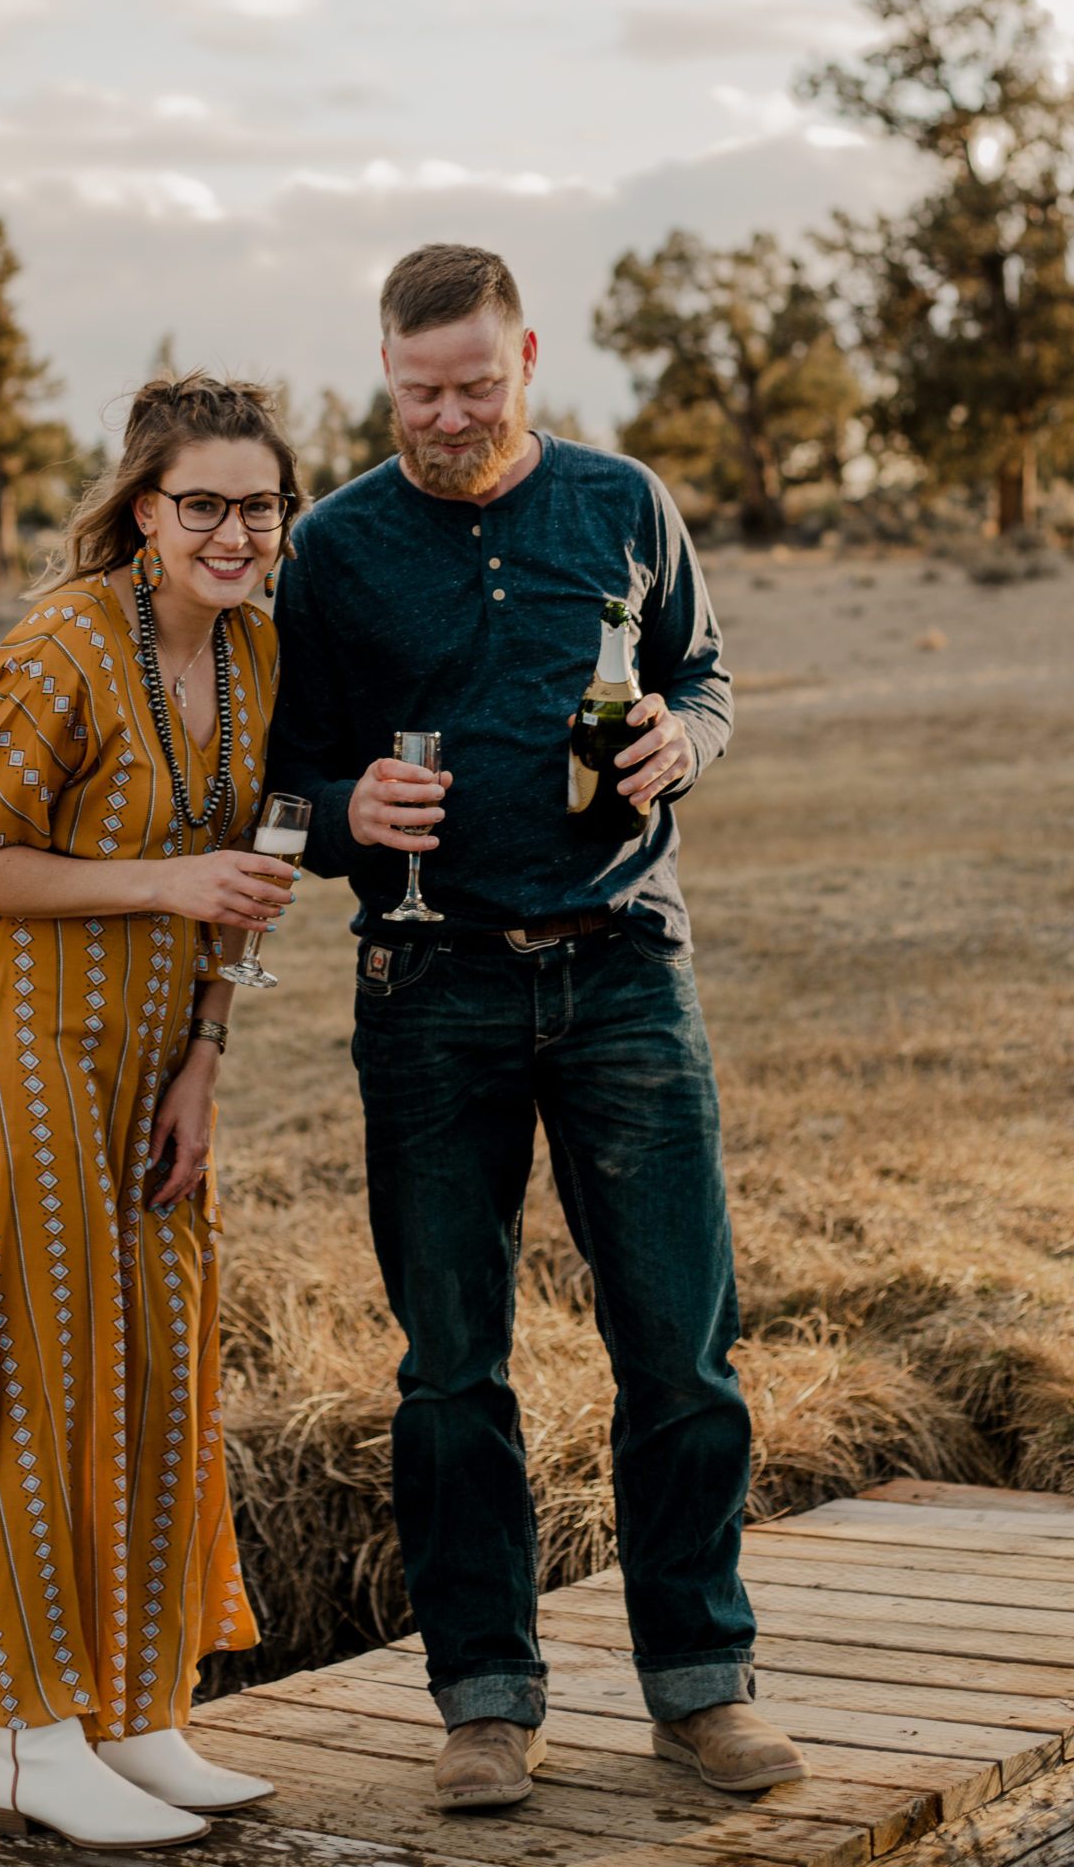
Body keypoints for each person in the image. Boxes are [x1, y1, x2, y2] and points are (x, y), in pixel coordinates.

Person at [265, 244, 807, 1813]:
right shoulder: (337, 550)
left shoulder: (625, 501)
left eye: (475, 385)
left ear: (529, 357)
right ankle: (484, 1702)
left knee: (682, 1355)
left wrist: (678, 743)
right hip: (429, 993)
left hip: (628, 968)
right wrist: (349, 810)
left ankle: (704, 1687)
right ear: (384, 370)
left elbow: (705, 676)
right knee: (451, 1373)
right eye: (417, 390)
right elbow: (275, 786)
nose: (445, 417)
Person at [0, 374, 304, 1852]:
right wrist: (162, 883)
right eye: (202, 505)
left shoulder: (255, 654)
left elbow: (242, 880)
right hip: (14, 1044)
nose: (232, 532)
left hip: (152, 1052)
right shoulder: (63, 642)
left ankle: (133, 1710)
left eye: (258, 504)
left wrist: (208, 1055)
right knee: (35, 1378)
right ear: (142, 511)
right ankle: (26, 1737)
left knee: (158, 1361)